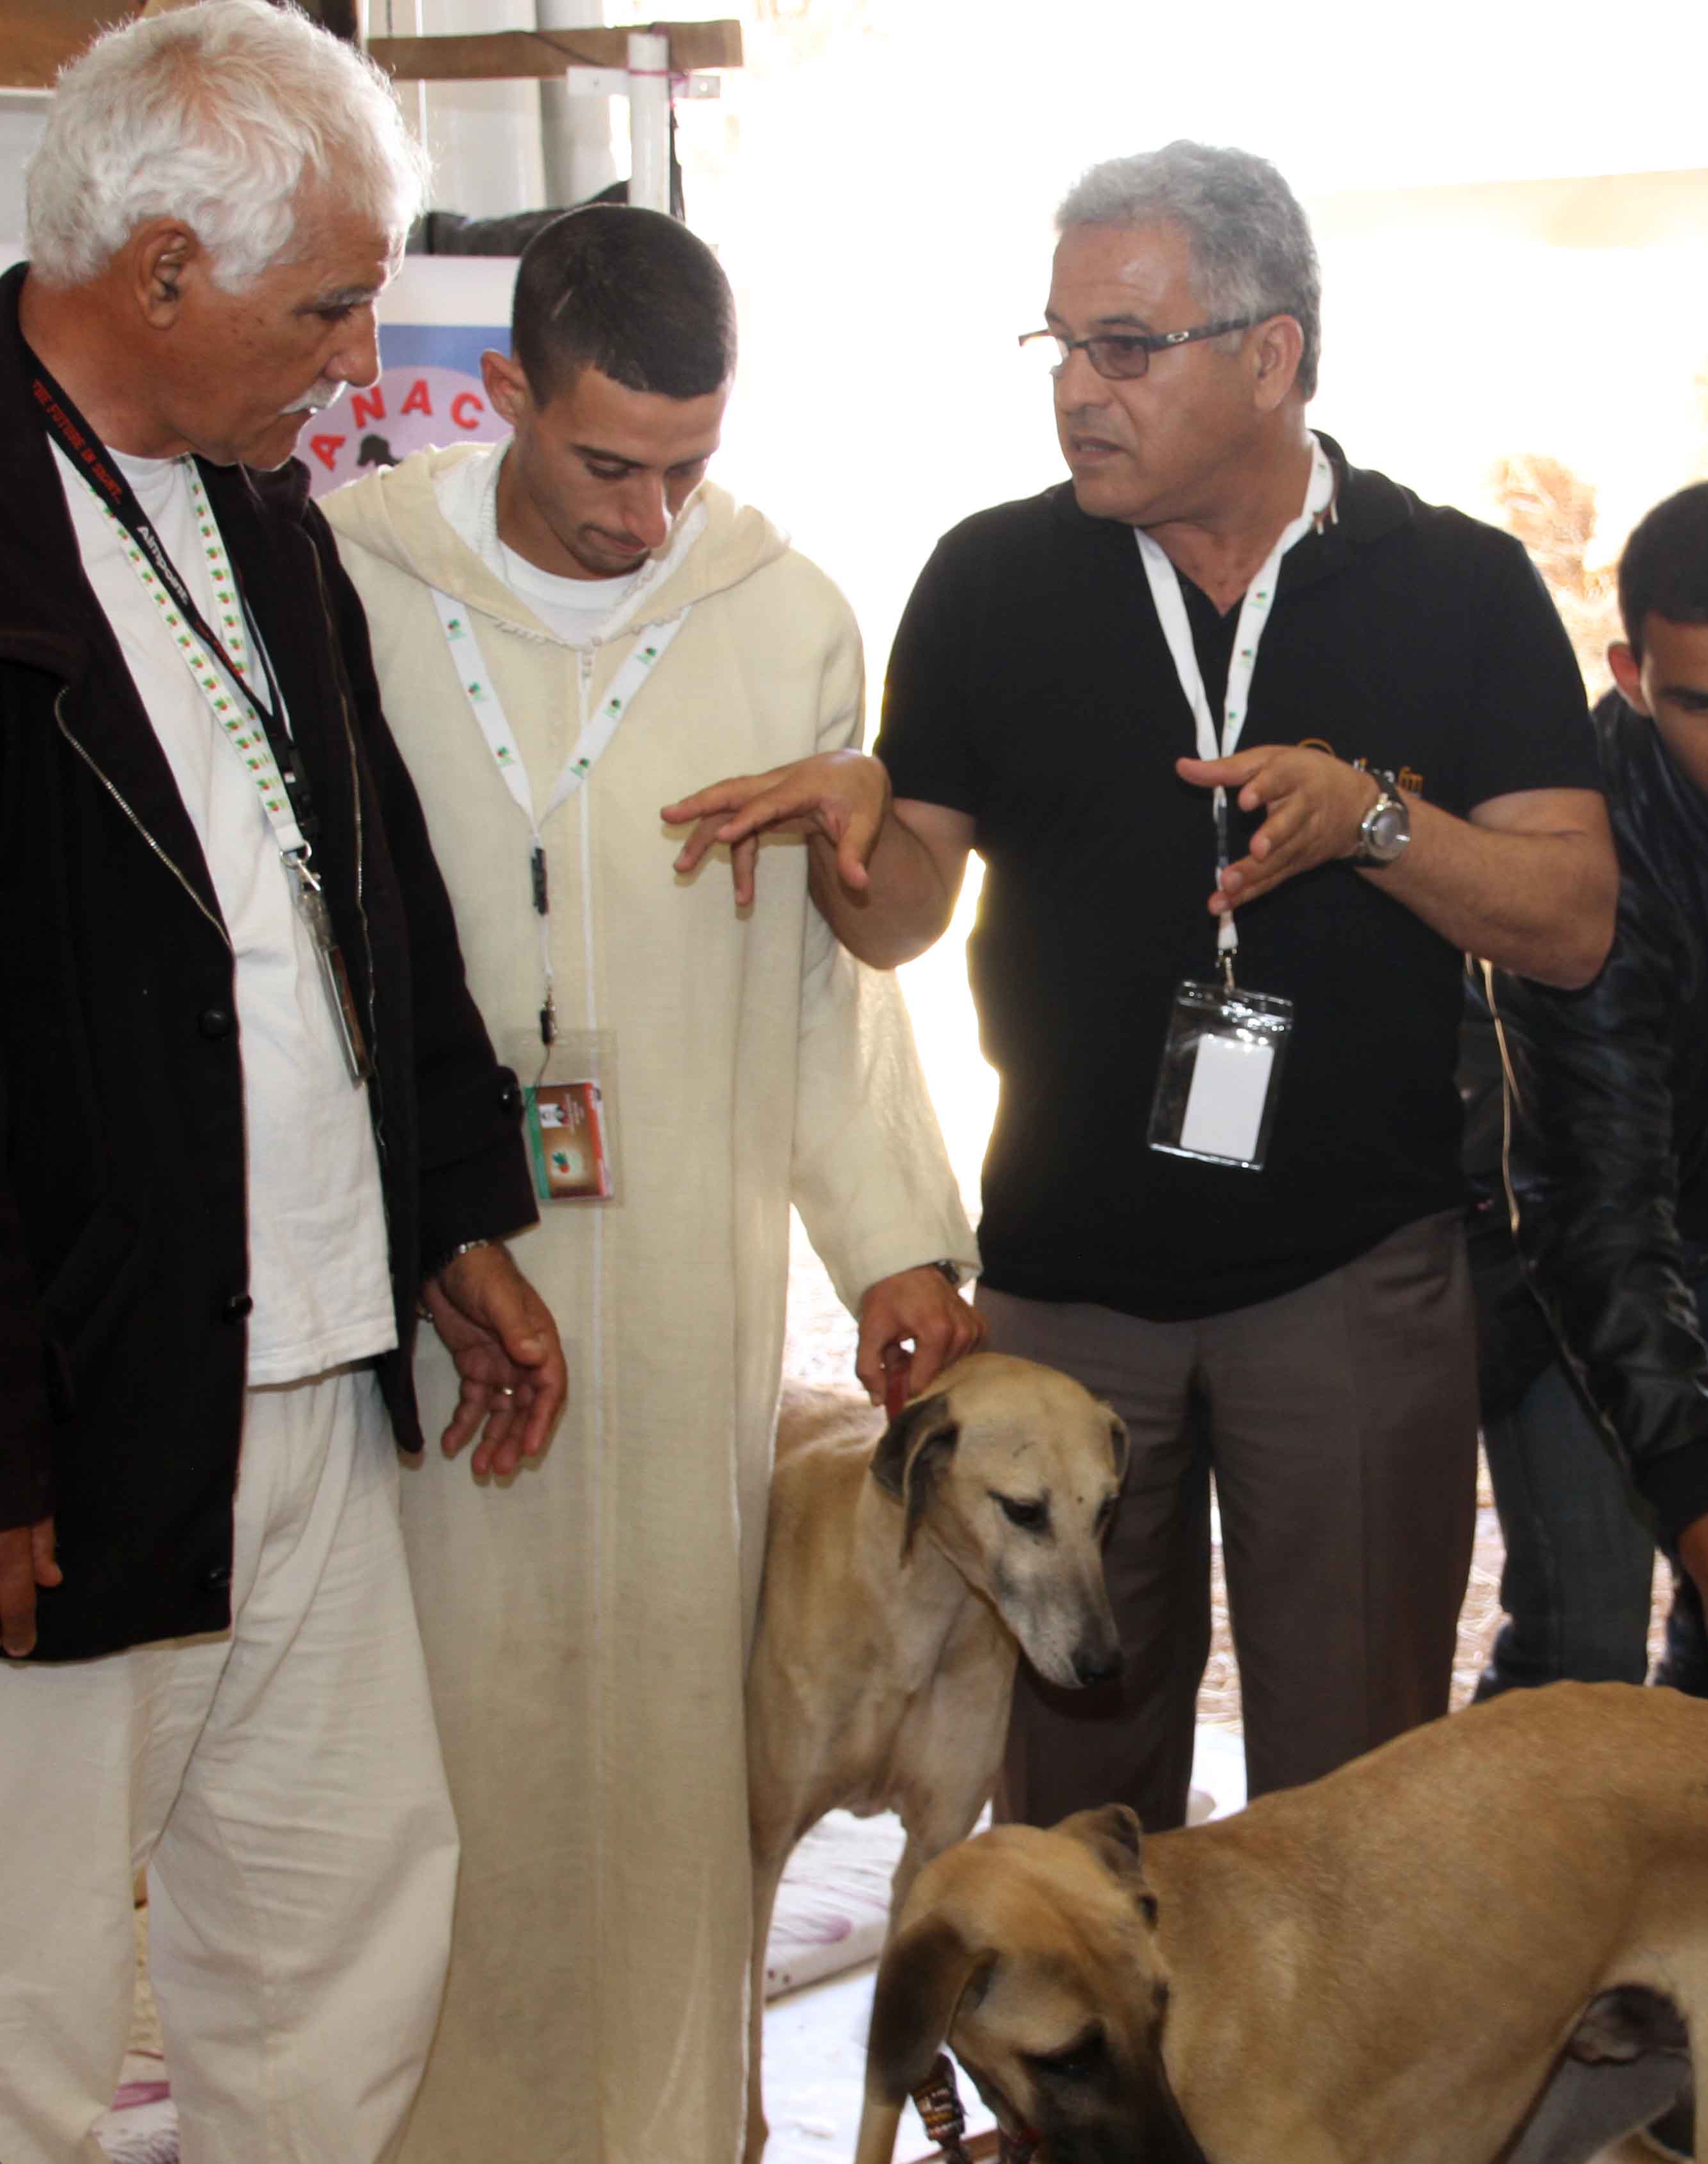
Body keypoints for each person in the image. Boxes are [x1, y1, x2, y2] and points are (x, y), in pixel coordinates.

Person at [0, 11, 563, 2164]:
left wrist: (453, 1212)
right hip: (38, 1443)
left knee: (340, 1941)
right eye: (328, 302)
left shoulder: (257, 512)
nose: (357, 359)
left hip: (304, 1384)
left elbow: (359, 885)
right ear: (159, 268)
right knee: (11, 2008)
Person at [681, 141, 1612, 1830]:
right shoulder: (989, 582)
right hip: (1062, 1299)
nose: (1078, 396)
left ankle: (1333, 2103)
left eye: (1127, 348)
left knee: (1352, 1808)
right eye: (1058, 349)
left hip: (1348, 1283)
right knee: (1069, 1800)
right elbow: (897, 919)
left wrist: (1377, 823)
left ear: (1273, 354)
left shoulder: (1456, 588)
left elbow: (1570, 918)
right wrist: (846, 836)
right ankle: (1083, 2104)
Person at [323, 203, 980, 2164]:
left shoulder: (784, 613)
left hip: (682, 1263)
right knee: (439, 1729)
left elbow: (820, 974)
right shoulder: (351, 574)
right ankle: (438, 2163)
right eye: (610, 463)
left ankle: (660, 2160)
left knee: (673, 1734)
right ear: (506, 391)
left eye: (689, 465)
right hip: (438, 1253)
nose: (650, 513)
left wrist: (891, 1241)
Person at [1466, 480, 1708, 1734]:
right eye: (1706, 702)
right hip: (1578, 1279)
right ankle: (1525, 1933)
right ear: (1634, 674)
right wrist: (1700, 1511)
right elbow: (1596, 1220)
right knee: (1580, 1662)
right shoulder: (1582, 847)